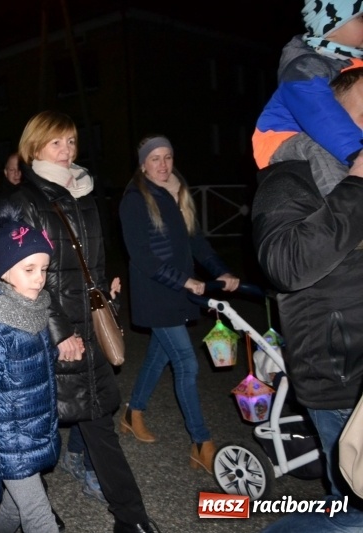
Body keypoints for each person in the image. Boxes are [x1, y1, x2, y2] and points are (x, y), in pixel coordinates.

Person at [0, 110, 158, 532]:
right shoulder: (24, 201)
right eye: (56, 143)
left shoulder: (86, 194)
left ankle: (131, 520)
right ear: (35, 147)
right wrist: (59, 333)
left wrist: (105, 296)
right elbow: (23, 278)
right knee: (32, 435)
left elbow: (89, 267)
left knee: (98, 424)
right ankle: (29, 517)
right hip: (43, 335)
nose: (67, 152)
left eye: (72, 142)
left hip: (87, 331)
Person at [252, 66, 363, 532]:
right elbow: (286, 263)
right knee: (353, 512)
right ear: (330, 110)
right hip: (340, 374)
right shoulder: (291, 175)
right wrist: (357, 185)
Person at [118, 135, 240, 474]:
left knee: (159, 356)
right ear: (142, 163)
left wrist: (222, 271)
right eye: (154, 158)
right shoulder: (135, 199)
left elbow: (196, 242)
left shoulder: (178, 191)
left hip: (180, 292)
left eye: (167, 157)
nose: (162, 165)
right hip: (157, 293)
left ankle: (132, 413)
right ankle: (202, 442)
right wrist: (184, 280)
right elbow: (142, 257)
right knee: (187, 363)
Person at [0, 207, 60, 533]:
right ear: (4, 272)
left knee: (15, 508)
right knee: (39, 518)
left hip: (32, 434)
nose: (39, 278)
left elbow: (37, 371)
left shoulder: (36, 311)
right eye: (29, 269)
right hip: (10, 444)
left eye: (44, 269)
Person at [252, 1, 363, 171]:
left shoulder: (352, 63)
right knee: (321, 150)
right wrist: (356, 152)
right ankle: (339, 197)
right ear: (331, 25)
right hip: (283, 138)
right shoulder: (305, 67)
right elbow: (319, 112)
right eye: (361, 18)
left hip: (336, 137)